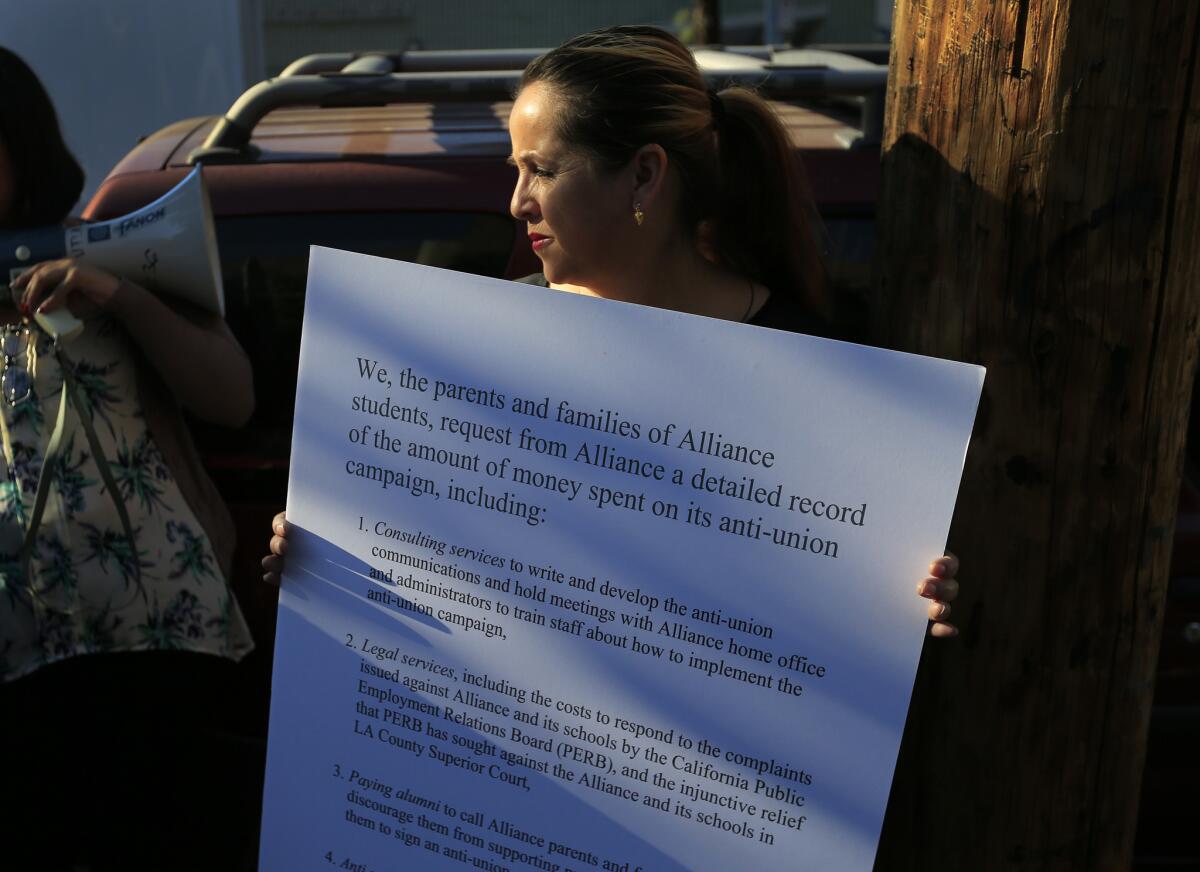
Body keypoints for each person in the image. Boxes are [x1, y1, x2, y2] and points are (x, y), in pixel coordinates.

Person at [262, 25, 962, 634]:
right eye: (516, 171)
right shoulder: (492, 339)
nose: (516, 203)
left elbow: (835, 612)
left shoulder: (816, 374)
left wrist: (912, 604)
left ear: (644, 176)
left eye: (542, 169)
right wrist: (331, 552)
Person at [0, 47, 257, 870]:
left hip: (158, 651)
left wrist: (118, 297)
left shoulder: (114, 262)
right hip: (20, 661)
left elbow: (231, 398)